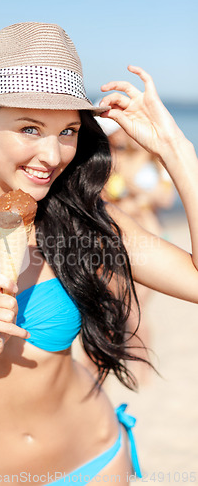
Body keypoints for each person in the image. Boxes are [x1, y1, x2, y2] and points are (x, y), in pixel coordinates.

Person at [0, 22, 198, 486]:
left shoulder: (86, 219)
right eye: (31, 128)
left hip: (94, 465)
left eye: (68, 131)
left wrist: (176, 148)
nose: (52, 154)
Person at [89, 113, 176, 384]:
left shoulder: (155, 161)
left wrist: (136, 192)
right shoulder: (116, 160)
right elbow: (103, 194)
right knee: (112, 304)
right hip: (116, 237)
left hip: (148, 236)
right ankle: (107, 363)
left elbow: (166, 197)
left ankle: (142, 367)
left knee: (136, 308)